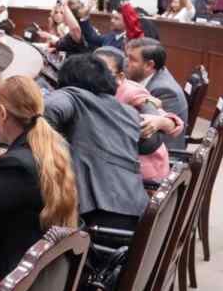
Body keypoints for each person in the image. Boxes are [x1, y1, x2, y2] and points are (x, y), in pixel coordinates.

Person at [0, 76, 78, 291]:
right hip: (38, 283)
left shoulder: (17, 166)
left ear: (2, 113)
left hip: (6, 287)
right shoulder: (51, 149)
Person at [43, 54, 149, 231]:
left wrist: (36, 147)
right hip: (137, 213)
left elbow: (48, 110)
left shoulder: (72, 95)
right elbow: (149, 144)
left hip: (95, 220)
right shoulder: (128, 111)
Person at [94, 47, 182, 180]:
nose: (97, 75)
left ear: (120, 76)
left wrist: (160, 121)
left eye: (104, 72)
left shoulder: (130, 91)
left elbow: (174, 124)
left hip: (144, 173)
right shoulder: (90, 88)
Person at [124, 37, 188, 149]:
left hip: (161, 153)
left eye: (132, 59)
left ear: (149, 65)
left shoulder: (165, 91)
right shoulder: (152, 73)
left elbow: (151, 135)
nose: (126, 63)